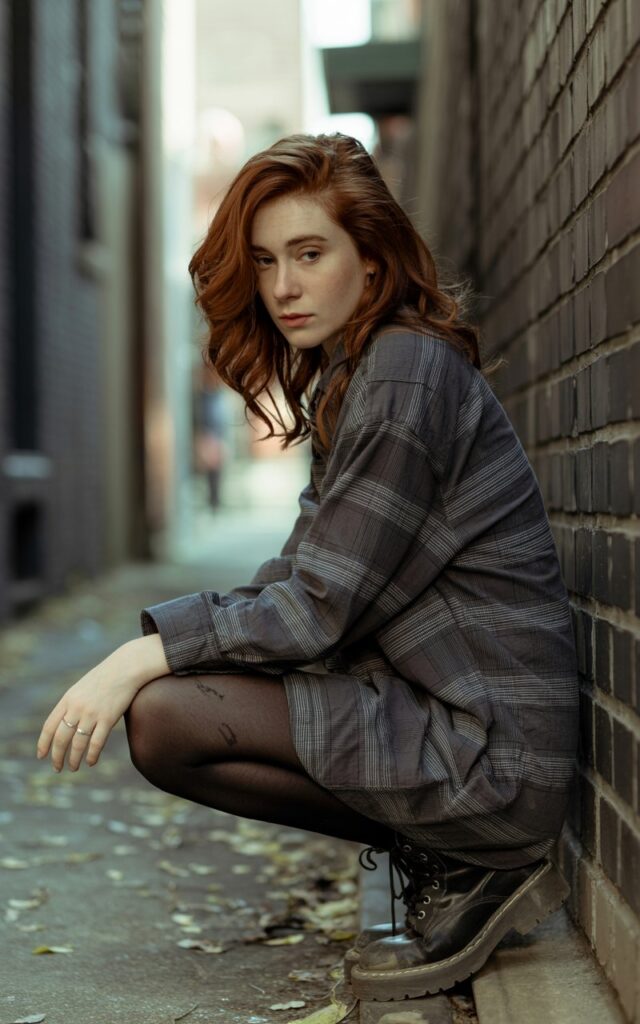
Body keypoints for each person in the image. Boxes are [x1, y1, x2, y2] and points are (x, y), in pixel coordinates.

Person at [36, 133, 579, 1001]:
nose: (282, 286)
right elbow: (294, 579)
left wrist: (140, 654)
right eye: (264, 261)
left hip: (494, 756)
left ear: (372, 263)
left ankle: (475, 858)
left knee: (166, 713)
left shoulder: (403, 376)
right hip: (453, 723)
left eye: (309, 254)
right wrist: (176, 643)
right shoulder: (357, 376)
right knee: (167, 720)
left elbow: (311, 611)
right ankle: (449, 853)